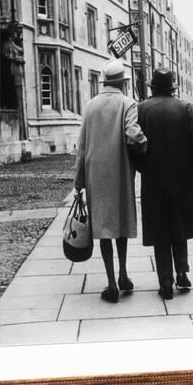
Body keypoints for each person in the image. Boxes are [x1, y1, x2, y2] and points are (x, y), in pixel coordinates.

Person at [74, 58, 147, 303]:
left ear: (105, 81)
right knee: (121, 226)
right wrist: (145, 149)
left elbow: (82, 147)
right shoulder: (128, 103)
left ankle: (111, 283)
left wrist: (78, 183)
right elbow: (134, 136)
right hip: (120, 172)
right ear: (123, 83)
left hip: (96, 175)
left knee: (104, 229)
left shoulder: (91, 105)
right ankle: (124, 275)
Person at [137, 69, 193, 300]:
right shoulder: (186, 108)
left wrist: (142, 167)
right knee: (178, 224)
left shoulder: (142, 110)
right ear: (172, 87)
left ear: (152, 87)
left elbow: (134, 145)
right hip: (182, 179)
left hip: (153, 179)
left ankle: (165, 281)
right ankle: (182, 272)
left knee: (160, 230)